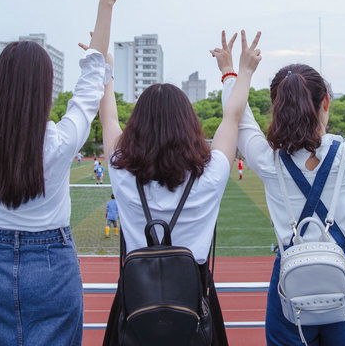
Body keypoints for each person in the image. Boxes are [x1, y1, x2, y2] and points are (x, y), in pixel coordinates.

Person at [0, 0, 123, 345]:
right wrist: (105, 3)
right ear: (45, 91)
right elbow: (90, 82)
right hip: (53, 265)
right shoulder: (59, 143)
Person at [97, 30, 261, 344]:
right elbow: (233, 116)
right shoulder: (211, 173)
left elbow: (108, 120)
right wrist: (239, 72)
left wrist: (105, 66)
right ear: (188, 123)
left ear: (138, 126)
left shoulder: (121, 170)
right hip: (194, 300)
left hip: (135, 301)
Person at [222, 55, 345, 345]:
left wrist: (229, 74)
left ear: (277, 107)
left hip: (290, 281)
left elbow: (240, 118)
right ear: (326, 102)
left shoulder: (267, 160)